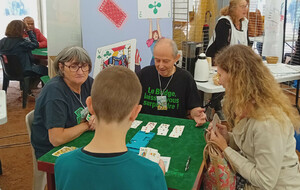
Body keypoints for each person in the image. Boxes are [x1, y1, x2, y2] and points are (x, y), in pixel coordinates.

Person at [55, 66, 167, 190]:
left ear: (90, 105)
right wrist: (156, 179)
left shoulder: (62, 164)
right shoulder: (151, 173)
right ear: (135, 113)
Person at [207, 44, 300, 189]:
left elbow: (265, 182)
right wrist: (228, 138)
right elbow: (251, 146)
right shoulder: (246, 104)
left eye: (221, 75)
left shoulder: (269, 123)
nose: (219, 80)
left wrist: (225, 148)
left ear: (236, 78)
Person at [31, 46, 94, 159]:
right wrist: (87, 125)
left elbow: (105, 107)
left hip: (78, 138)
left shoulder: (87, 82)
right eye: (73, 66)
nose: (80, 72)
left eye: (84, 66)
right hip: (52, 152)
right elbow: (56, 139)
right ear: (61, 67)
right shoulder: (54, 92)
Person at [137, 38, 206, 127]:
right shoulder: (144, 74)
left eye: (166, 61)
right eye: (157, 60)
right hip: (145, 127)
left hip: (175, 127)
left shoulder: (185, 78)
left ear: (176, 58)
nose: (161, 66)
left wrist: (196, 114)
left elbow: (193, 107)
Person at [206, 0, 250, 120]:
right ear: (233, 9)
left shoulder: (244, 23)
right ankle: (214, 107)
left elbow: (247, 44)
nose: (245, 9)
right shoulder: (224, 22)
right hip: (217, 61)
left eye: (246, 6)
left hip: (235, 62)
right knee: (222, 83)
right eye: (242, 6)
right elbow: (222, 49)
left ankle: (224, 108)